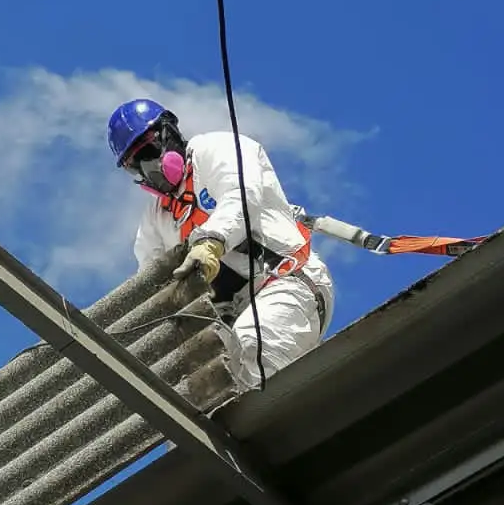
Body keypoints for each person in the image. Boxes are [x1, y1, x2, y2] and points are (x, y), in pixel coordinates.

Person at [107, 98, 334, 390]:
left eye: (148, 152)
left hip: (287, 281)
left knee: (253, 346)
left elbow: (242, 196)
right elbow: (153, 283)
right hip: (232, 315)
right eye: (135, 165)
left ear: (169, 133)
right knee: (207, 385)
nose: (148, 168)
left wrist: (211, 242)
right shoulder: (156, 219)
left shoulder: (216, 150)